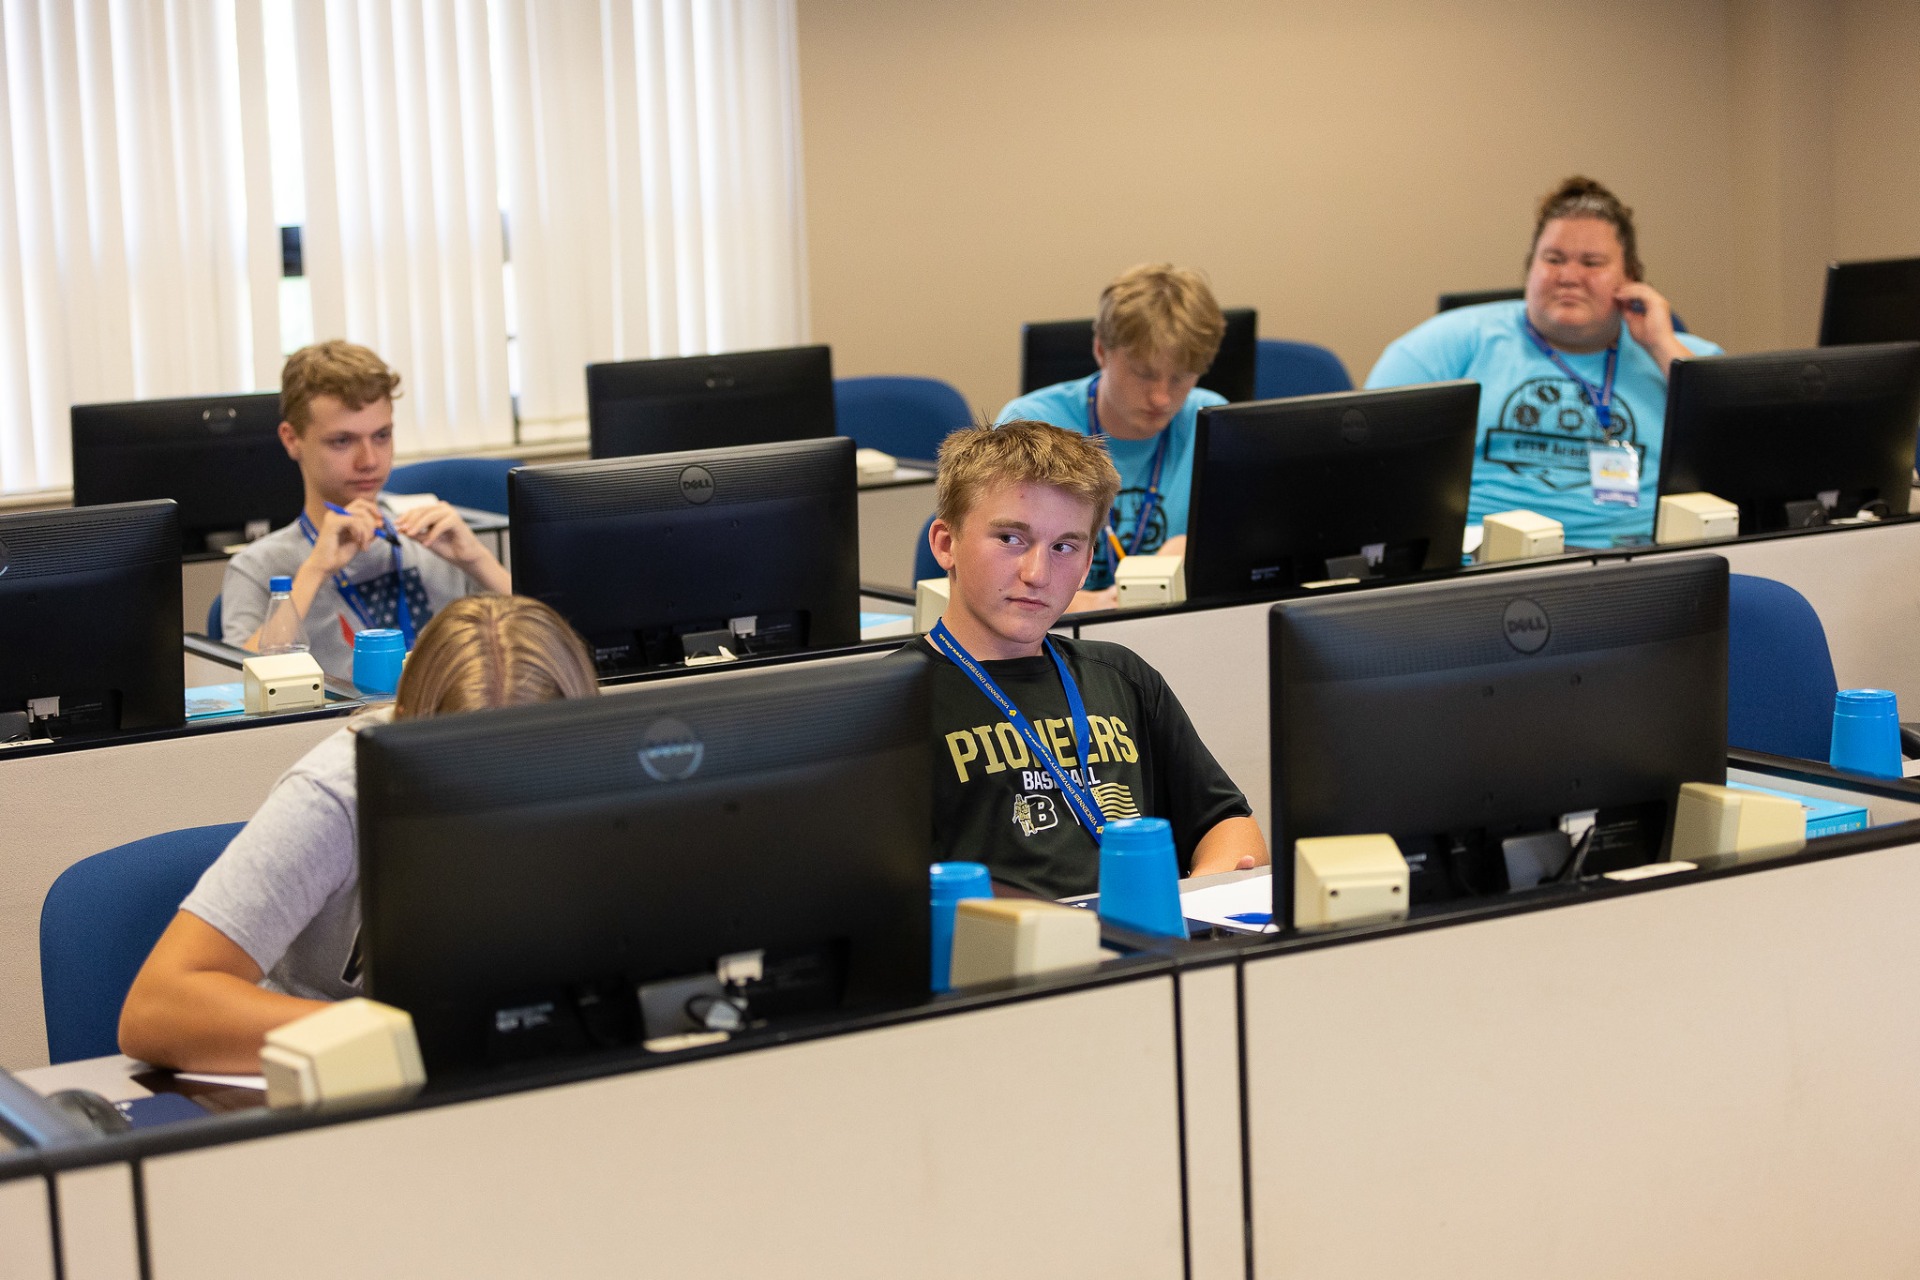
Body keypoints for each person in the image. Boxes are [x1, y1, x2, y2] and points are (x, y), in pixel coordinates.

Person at [119, 595, 600, 1073]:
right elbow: (156, 1009)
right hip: (342, 1081)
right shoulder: (334, 795)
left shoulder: (613, 787)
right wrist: (401, 1036)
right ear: (408, 731)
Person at [890, 419, 1267, 900]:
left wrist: (1192, 900)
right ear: (946, 544)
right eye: (1010, 539)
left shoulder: (1120, 677)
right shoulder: (895, 701)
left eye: (1065, 547)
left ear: (1089, 563)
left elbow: (1229, 823)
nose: (1037, 573)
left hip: (1147, 944)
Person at [1366, 176, 1723, 549]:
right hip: (1485, 564)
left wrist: (1662, 346)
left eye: (1592, 262)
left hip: (1639, 565)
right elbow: (1370, 462)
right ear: (1529, 269)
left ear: (1631, 277)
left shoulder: (1683, 358)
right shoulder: (1448, 344)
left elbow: (1739, 459)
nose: (1569, 277)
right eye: (1553, 259)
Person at [221, 340, 512, 680]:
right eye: (342, 441)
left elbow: (549, 643)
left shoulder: (428, 534)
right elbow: (239, 684)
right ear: (291, 439)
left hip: (444, 720)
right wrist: (314, 570)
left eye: (382, 436)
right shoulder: (258, 566)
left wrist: (477, 560)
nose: (369, 461)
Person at [998, 263, 1227, 611]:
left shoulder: (1209, 420)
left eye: (1180, 378)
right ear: (1101, 351)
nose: (1161, 398)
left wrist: (1200, 558)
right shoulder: (1031, 426)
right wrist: (1090, 605)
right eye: (1144, 374)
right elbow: (992, 574)